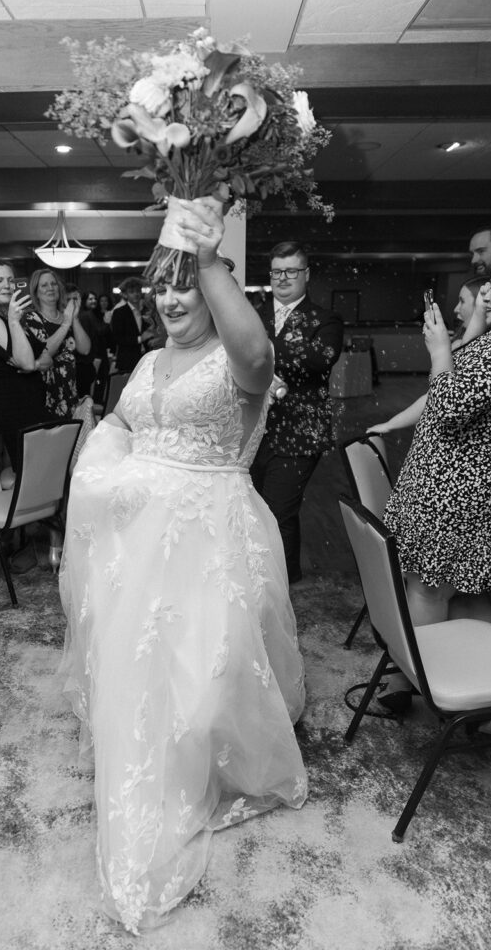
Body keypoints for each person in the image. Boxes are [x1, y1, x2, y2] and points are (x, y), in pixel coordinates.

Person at [58, 199, 307, 934]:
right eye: (158, 286)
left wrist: (206, 254)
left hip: (212, 538)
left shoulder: (237, 360)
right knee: (141, 663)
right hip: (139, 543)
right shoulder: (146, 358)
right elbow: (125, 424)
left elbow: (260, 356)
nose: (168, 299)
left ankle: (205, 765)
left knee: (205, 675)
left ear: (212, 289)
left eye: (184, 284)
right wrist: (104, 464)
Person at [384, 256, 491, 640]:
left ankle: (430, 682)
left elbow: (447, 408)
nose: (485, 293)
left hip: (458, 496)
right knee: (465, 592)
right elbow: (455, 382)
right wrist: (476, 320)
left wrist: (439, 351)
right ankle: (468, 681)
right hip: (462, 493)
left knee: (428, 588)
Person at [250, 242, 344, 583]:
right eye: (277, 271)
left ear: (306, 274)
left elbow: (321, 357)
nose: (283, 278)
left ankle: (283, 586)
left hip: (300, 431)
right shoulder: (253, 313)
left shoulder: (325, 318)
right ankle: (267, 577)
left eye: (291, 271)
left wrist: (261, 355)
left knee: (278, 512)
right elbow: (227, 350)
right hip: (251, 428)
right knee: (256, 510)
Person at [368, 276, 485, 436]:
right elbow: (432, 398)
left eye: (462, 301)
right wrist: (390, 424)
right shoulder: (460, 344)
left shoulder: (486, 353)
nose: (456, 308)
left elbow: (446, 405)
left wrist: (440, 350)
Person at [0, 260, 54, 472]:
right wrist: (15, 323)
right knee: (30, 472)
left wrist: (33, 364)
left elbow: (46, 359)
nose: (7, 285)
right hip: (13, 405)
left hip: (31, 401)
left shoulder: (13, 316)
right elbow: (27, 361)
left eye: (10, 280)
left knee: (40, 468)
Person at [24, 269, 90, 419]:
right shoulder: (32, 318)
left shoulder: (66, 316)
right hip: (46, 394)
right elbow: (44, 352)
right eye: (44, 285)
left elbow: (85, 349)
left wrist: (74, 319)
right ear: (36, 292)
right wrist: (66, 323)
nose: (50, 288)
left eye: (53, 284)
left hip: (70, 392)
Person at [110, 276, 154, 372]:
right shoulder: (119, 312)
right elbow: (117, 338)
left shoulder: (147, 310)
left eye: (138, 291)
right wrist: (140, 338)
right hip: (127, 360)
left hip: (146, 359)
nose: (136, 294)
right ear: (125, 295)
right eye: (132, 292)